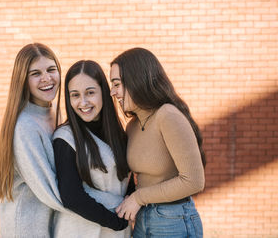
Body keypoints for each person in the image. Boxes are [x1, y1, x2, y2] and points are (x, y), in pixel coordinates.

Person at [110, 48, 206, 238]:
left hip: (174, 219)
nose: (113, 92)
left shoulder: (168, 115)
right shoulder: (132, 126)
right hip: (144, 217)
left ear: (136, 79)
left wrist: (139, 197)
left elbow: (194, 181)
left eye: (117, 84)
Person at [0, 43, 64, 238]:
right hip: (25, 228)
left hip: (50, 225)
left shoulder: (55, 112)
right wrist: (106, 207)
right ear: (23, 80)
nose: (46, 78)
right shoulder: (25, 126)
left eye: (51, 69)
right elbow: (51, 191)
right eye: (36, 74)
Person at [53, 60, 132, 237]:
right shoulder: (65, 138)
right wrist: (118, 221)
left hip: (117, 232)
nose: (83, 102)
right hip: (79, 232)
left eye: (90, 92)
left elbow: (130, 180)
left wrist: (131, 202)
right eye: (75, 95)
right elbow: (72, 197)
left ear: (103, 92)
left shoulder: (119, 135)